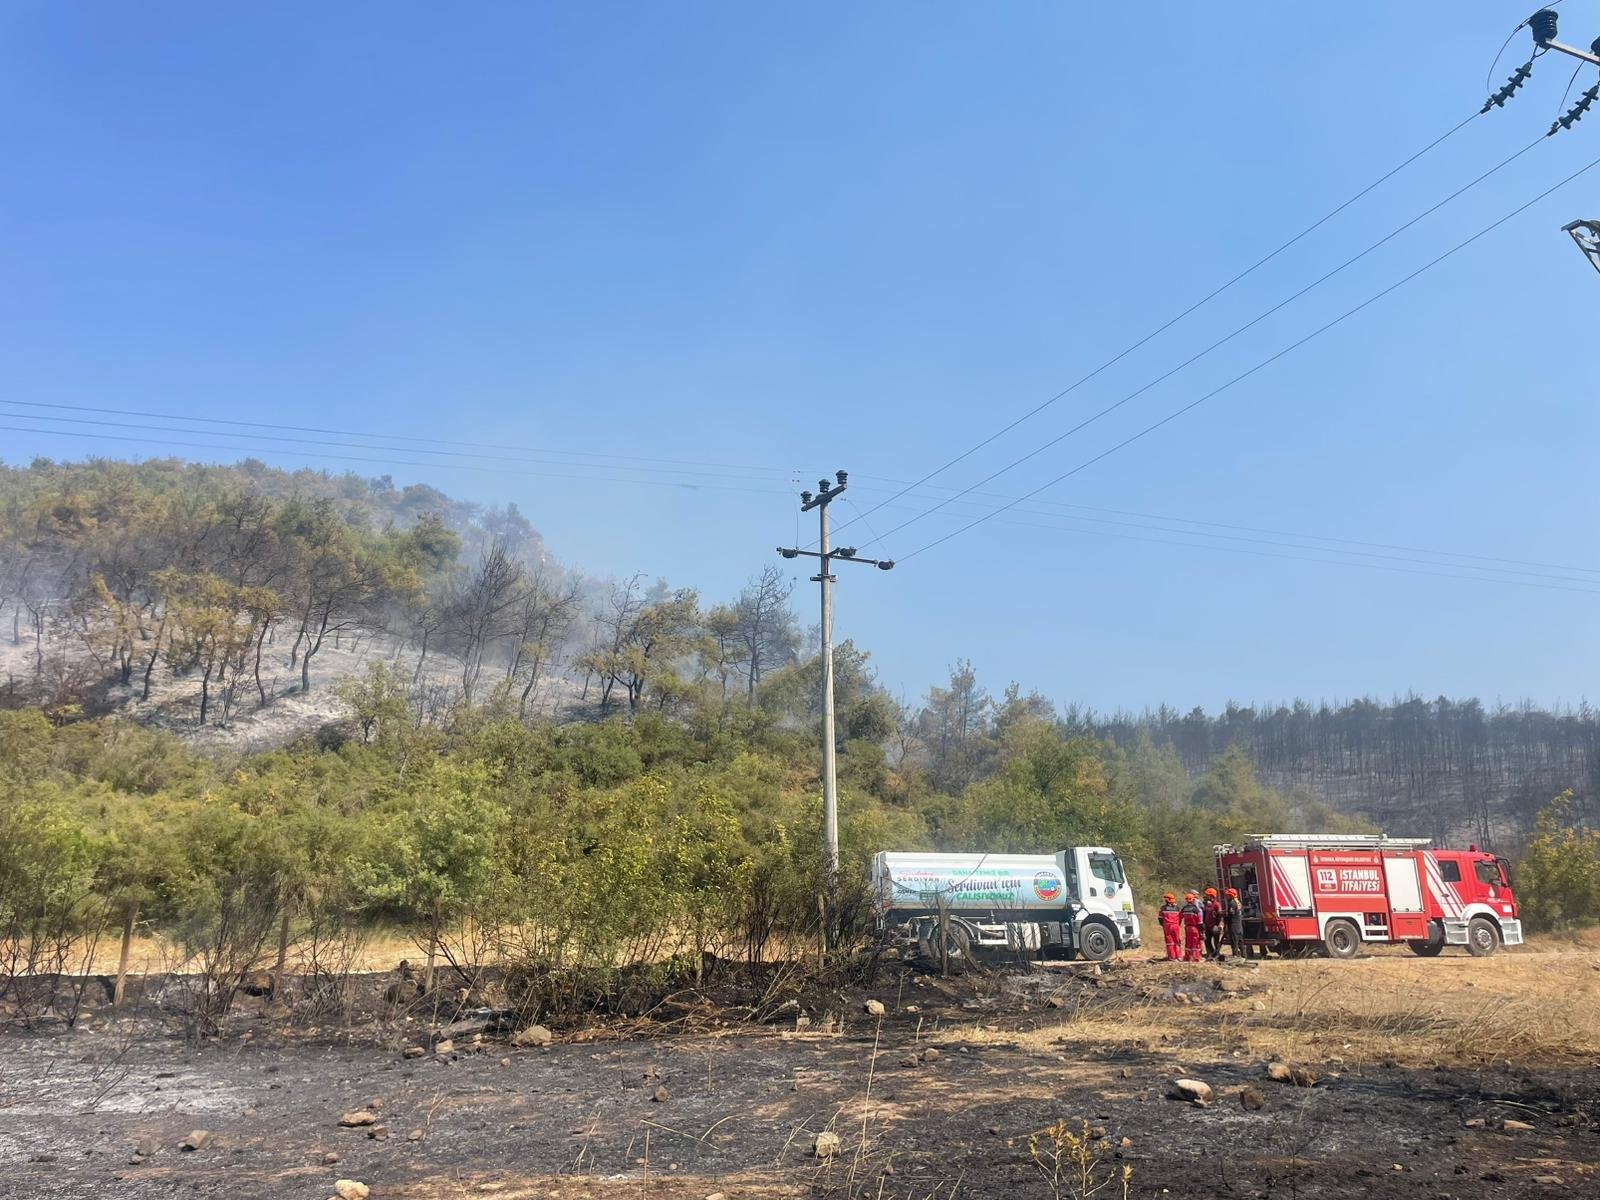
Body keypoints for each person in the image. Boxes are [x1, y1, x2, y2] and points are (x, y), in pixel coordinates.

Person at [1179, 891, 1204, 963]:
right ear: (1193, 900)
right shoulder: (1195, 909)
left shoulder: (1184, 908)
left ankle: (1187, 957)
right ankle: (1196, 958)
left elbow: (1180, 917)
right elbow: (1199, 921)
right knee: (1195, 942)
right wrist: (1202, 930)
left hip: (1187, 927)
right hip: (1194, 928)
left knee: (1188, 942)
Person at [1157, 893, 1182, 961]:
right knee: (1177, 941)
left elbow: (1160, 918)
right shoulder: (1178, 908)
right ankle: (1179, 956)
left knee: (1169, 941)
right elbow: (1181, 917)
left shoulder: (1163, 908)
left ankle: (1172, 957)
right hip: (1176, 925)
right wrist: (1178, 924)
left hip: (1167, 926)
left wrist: (1163, 925)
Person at [1201, 887, 1223, 961]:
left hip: (1214, 926)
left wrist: (1220, 924)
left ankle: (1217, 954)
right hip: (1207, 926)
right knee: (1207, 941)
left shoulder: (1217, 904)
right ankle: (1211, 953)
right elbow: (1204, 914)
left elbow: (1220, 916)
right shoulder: (1206, 904)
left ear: (1212, 896)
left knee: (1216, 941)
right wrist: (1203, 923)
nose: (1206, 896)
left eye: (1208, 895)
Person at [1224, 887, 1245, 958]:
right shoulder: (1238, 902)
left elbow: (1231, 914)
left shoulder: (1232, 903)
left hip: (1233, 925)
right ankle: (1243, 956)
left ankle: (1235, 956)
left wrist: (1225, 918)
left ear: (1231, 895)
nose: (1227, 896)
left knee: (1234, 942)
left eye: (1228, 895)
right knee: (1241, 942)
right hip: (1239, 925)